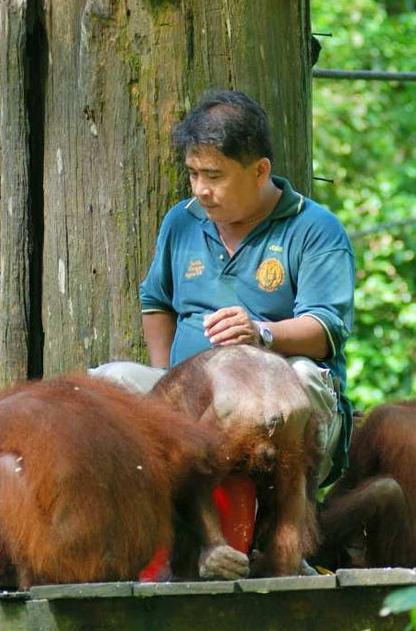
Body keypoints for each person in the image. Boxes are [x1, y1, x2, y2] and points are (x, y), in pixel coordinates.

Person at [93, 90, 355, 485]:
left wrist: (261, 334)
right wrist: (165, 376)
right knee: (101, 384)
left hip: (277, 394)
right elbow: (156, 301)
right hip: (189, 398)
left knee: (299, 380)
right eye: (193, 173)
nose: (199, 189)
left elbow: (326, 330)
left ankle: (280, 520)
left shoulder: (315, 228)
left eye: (213, 176)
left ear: (260, 171)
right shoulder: (181, 222)